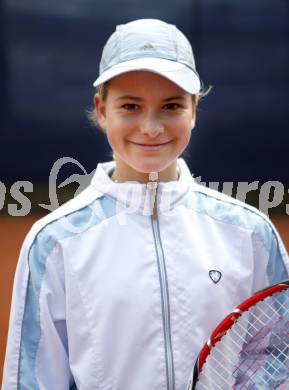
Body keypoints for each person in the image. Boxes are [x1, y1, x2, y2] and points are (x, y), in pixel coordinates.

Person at [2, 18, 289, 390]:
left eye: (171, 105)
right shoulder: (54, 242)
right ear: (102, 110)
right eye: (131, 106)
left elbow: (276, 356)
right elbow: (32, 381)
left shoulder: (251, 234)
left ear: (194, 110)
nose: (151, 127)